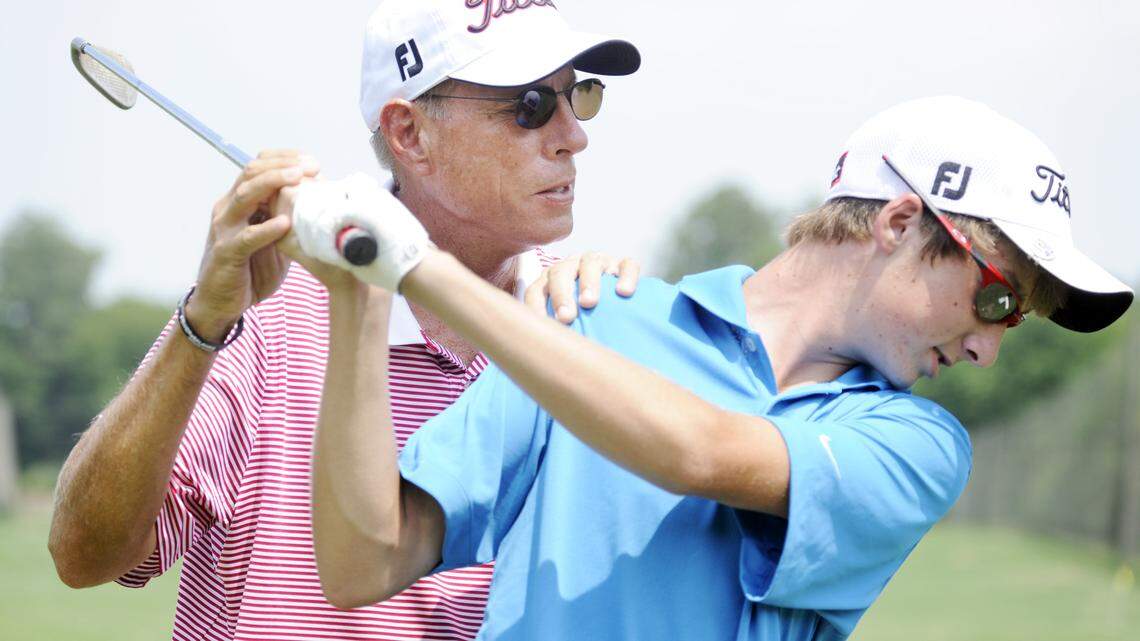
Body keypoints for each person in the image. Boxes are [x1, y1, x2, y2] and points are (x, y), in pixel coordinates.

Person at [294, 96, 1133, 640]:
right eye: (996, 298)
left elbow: (698, 452)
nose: (990, 345)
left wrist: (417, 262)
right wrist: (361, 294)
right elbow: (361, 561)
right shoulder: (593, 319)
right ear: (902, 219)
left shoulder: (916, 444)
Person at [48, 1, 641, 639]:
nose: (573, 135)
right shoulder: (266, 315)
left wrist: (612, 336)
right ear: (409, 134)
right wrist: (202, 326)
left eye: (577, 95)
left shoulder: (581, 316)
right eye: (530, 105)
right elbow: (86, 555)